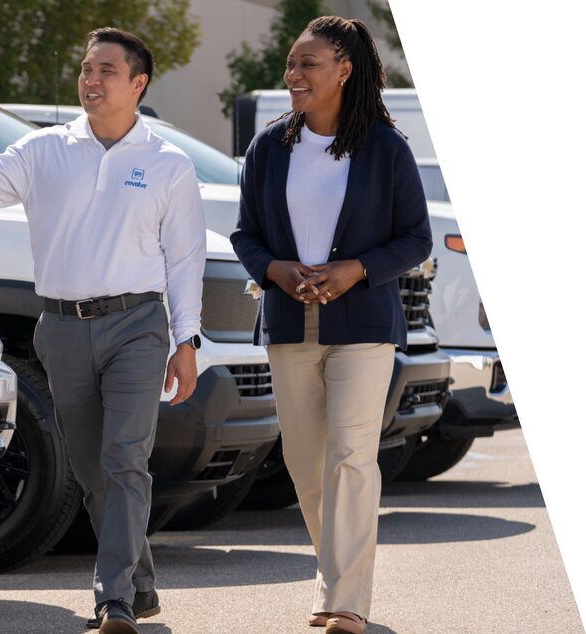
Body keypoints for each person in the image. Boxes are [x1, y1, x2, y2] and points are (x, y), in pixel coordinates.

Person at [0, 27, 206, 634]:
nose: (91, 80)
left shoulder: (168, 164)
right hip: (63, 328)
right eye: (85, 68)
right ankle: (141, 585)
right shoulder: (44, 150)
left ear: (138, 84)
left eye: (106, 70)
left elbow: (184, 258)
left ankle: (114, 601)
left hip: (138, 325)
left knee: (124, 459)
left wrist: (187, 341)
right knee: (91, 467)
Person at [229, 15, 432, 634]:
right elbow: (245, 235)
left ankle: (346, 601)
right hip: (290, 322)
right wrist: (276, 270)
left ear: (344, 70)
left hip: (364, 325)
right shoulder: (269, 146)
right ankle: (336, 576)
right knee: (305, 461)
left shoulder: (386, 148)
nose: (294, 74)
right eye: (291, 64)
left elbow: (416, 238)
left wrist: (357, 270)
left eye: (307, 64)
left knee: (351, 457)